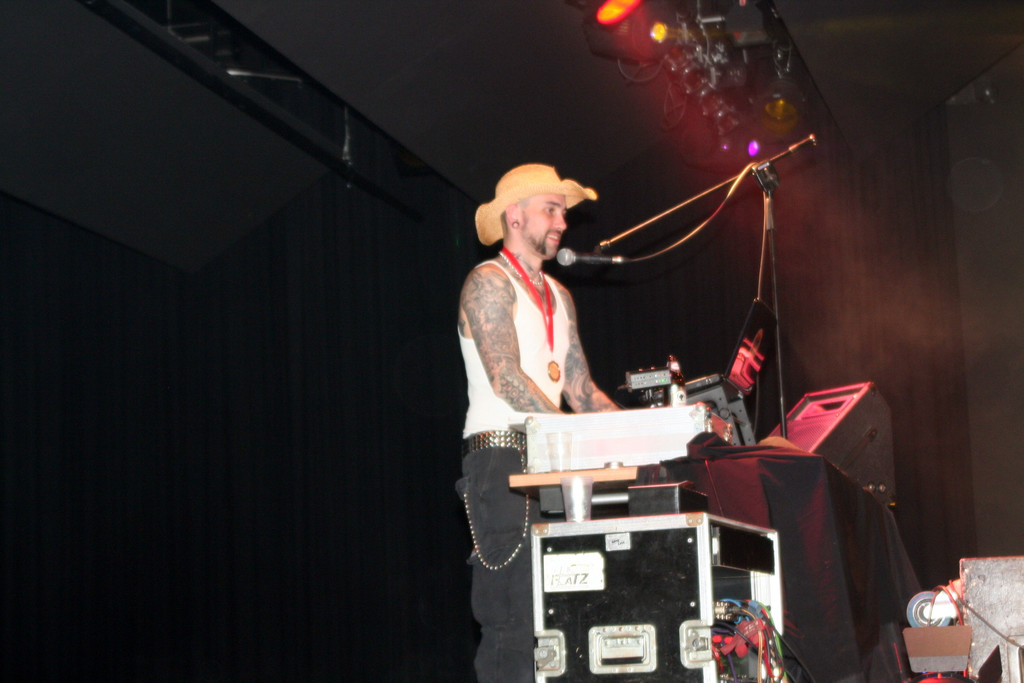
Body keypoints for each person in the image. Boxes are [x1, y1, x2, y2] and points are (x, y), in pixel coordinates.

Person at [456, 164, 618, 682]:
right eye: (551, 210)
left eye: (563, 213)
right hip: (503, 458)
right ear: (515, 216)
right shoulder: (488, 282)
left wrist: (639, 431)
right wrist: (572, 433)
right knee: (512, 619)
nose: (562, 223)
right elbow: (505, 377)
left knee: (564, 613)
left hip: (553, 456)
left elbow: (581, 391)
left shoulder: (561, 296)